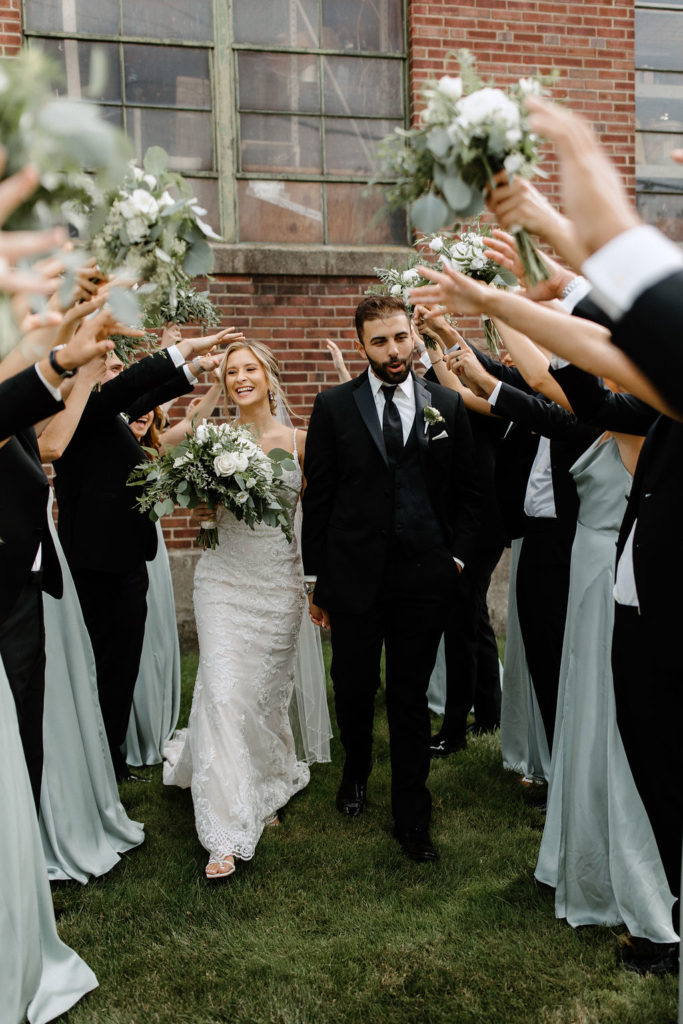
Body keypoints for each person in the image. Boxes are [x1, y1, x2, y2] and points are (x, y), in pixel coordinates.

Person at [302, 294, 480, 862]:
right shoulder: (333, 407)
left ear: (413, 336)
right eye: (379, 341)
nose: (393, 350)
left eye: (400, 337)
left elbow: (472, 495)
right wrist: (316, 581)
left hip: (425, 578)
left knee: (408, 697)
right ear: (361, 345)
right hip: (353, 578)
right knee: (354, 688)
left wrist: (455, 559)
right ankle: (356, 770)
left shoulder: (447, 405)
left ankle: (412, 814)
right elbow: (320, 498)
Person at [52, 327, 241, 781]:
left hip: (126, 559)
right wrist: (180, 351)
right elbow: (131, 387)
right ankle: (97, 759)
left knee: (123, 665)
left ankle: (110, 754)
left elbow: (143, 396)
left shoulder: (105, 414)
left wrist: (194, 368)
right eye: (108, 361)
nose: (114, 366)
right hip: (97, 564)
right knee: (105, 665)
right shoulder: (78, 413)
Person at [164, 340, 312, 880]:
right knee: (224, 691)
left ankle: (268, 777)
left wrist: (314, 584)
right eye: (232, 372)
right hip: (222, 577)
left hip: (279, 581)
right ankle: (223, 836)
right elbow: (164, 446)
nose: (241, 378)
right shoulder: (214, 437)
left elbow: (316, 511)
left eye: (250, 369)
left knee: (261, 698)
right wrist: (204, 398)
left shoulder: (300, 440)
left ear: (269, 377)